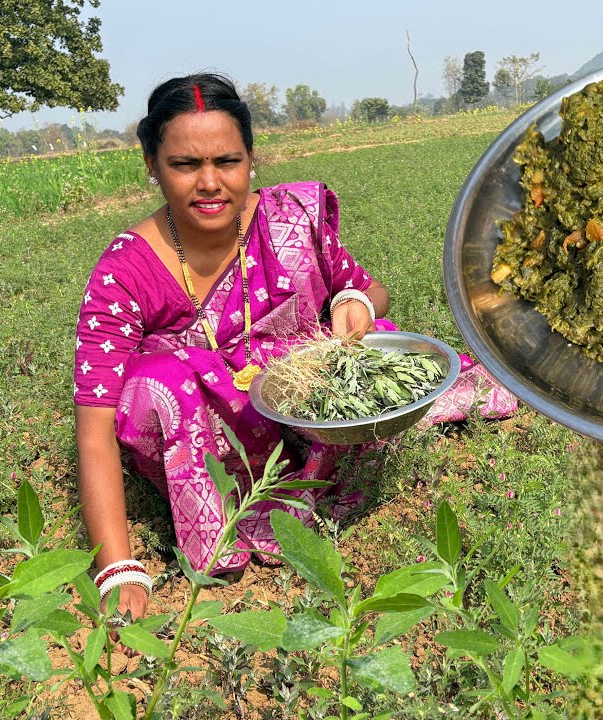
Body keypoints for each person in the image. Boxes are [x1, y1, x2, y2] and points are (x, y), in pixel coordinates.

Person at [73, 73, 514, 626]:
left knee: (378, 342)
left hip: (302, 401)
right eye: (185, 165)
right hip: (211, 429)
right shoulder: (125, 270)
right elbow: (93, 429)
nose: (210, 183)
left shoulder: (288, 221)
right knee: (160, 380)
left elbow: (366, 288)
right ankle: (228, 518)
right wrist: (117, 566)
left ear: (251, 160)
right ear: (152, 164)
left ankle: (323, 456)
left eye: (227, 162)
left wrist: (353, 300)